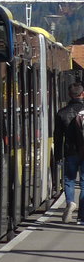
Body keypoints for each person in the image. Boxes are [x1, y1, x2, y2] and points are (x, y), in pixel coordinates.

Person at [53, 82, 84, 222]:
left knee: (69, 180)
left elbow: (58, 137)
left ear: (70, 95)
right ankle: (82, 215)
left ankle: (70, 202)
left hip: (70, 152)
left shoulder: (62, 112)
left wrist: (58, 156)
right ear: (82, 94)